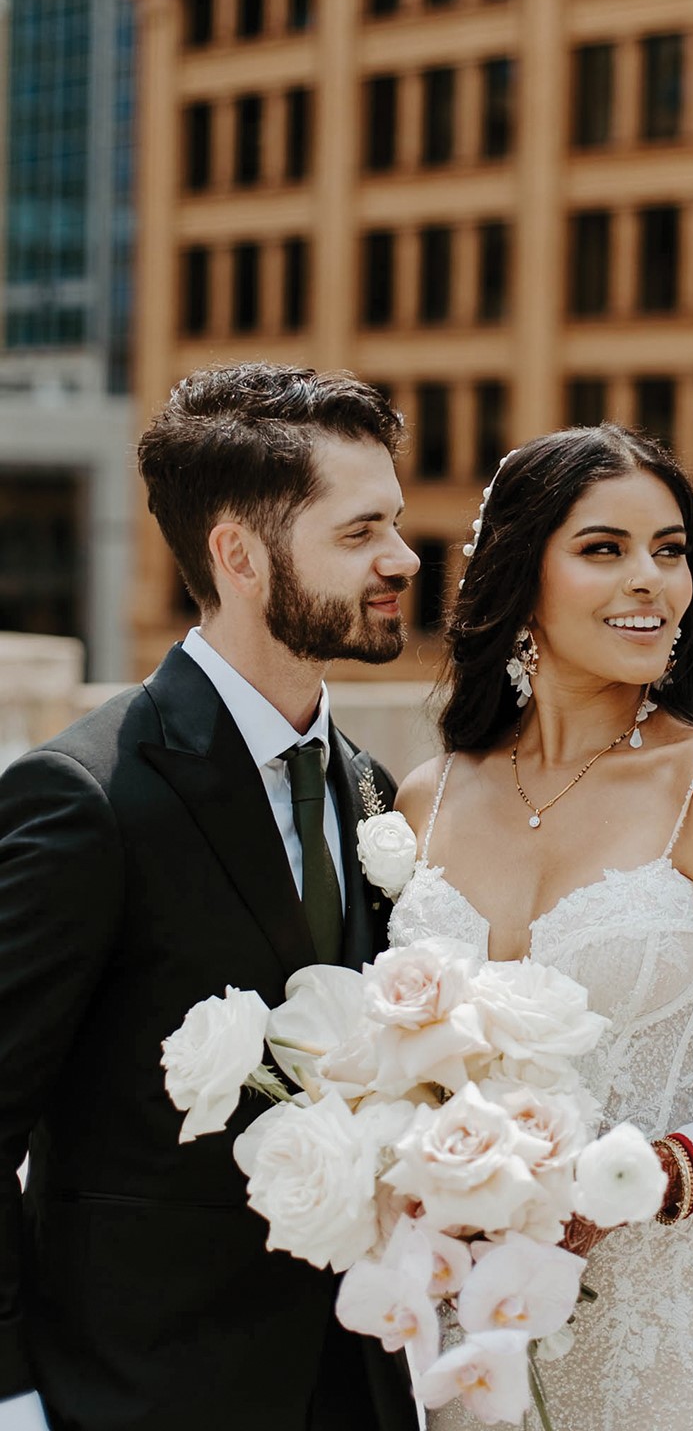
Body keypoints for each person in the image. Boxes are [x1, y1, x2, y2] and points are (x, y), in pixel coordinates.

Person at [391, 424, 693, 1430]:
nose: (651, 582)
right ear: (519, 575)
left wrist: (645, 1182)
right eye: (604, 549)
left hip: (670, 1320)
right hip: (457, 1322)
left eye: (671, 551)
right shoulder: (425, 802)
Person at [0, 364, 423, 1431]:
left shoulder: (371, 789)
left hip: (357, 1389)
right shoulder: (83, 799)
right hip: (138, 1395)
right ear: (238, 555)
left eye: (399, 523)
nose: (403, 559)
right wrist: (13, 1399)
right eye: (360, 530)